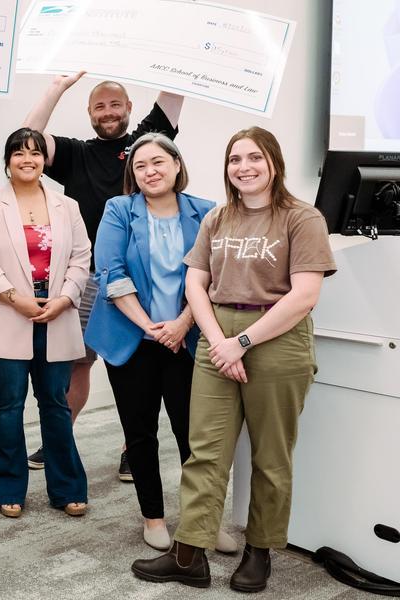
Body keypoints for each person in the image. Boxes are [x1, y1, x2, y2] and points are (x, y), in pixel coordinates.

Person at [131, 127, 337, 592]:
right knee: (205, 451)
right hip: (215, 334)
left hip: (277, 336)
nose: (243, 167)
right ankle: (189, 555)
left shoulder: (302, 219)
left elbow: (304, 295)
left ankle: (259, 551)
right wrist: (218, 340)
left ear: (274, 163)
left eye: (253, 158)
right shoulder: (218, 218)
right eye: (234, 159)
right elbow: (194, 285)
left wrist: (240, 344)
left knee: (270, 455)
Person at [22, 73, 183, 478]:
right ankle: (59, 438)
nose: (108, 112)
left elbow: (176, 88)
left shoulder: (144, 143)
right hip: (87, 279)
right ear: (90, 113)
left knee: (140, 367)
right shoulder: (76, 153)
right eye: (100, 106)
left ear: (129, 109)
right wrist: (57, 88)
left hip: (143, 281)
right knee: (77, 364)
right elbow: (26, 136)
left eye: (116, 105)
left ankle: (135, 446)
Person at [84, 133, 218, 549]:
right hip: (132, 338)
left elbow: (214, 277)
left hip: (186, 338)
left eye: (158, 162)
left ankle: (201, 525)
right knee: (140, 433)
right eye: (140, 166)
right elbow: (111, 272)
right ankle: (154, 518)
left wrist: (180, 324)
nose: (150, 171)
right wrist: (152, 327)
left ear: (177, 164)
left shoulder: (207, 211)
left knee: (191, 435)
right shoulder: (119, 210)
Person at [0, 127, 91, 518]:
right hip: (8, 315)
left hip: (56, 315)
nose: (28, 159)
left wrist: (66, 297)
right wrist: (16, 300)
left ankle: (67, 488)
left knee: (55, 403)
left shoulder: (65, 205)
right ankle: (8, 487)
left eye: (35, 153)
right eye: (19, 153)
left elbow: (82, 256)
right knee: (9, 403)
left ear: (44, 161)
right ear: (8, 161)